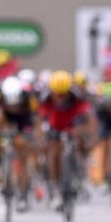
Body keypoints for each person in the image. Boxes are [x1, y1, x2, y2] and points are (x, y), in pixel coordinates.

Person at [38, 70, 96, 210]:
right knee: (53, 153)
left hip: (73, 122)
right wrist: (41, 137)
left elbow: (90, 119)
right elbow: (38, 120)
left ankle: (81, 169)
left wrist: (88, 134)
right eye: (57, 94)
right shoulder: (45, 98)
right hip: (55, 123)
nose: (60, 97)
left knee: (80, 139)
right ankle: (56, 187)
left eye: (64, 94)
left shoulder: (78, 96)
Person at [0, 76, 37, 212]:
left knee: (23, 153)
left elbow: (37, 120)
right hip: (4, 117)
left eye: (15, 104)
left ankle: (22, 194)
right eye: (10, 104)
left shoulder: (29, 98)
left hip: (23, 120)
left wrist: (33, 136)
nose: (13, 107)